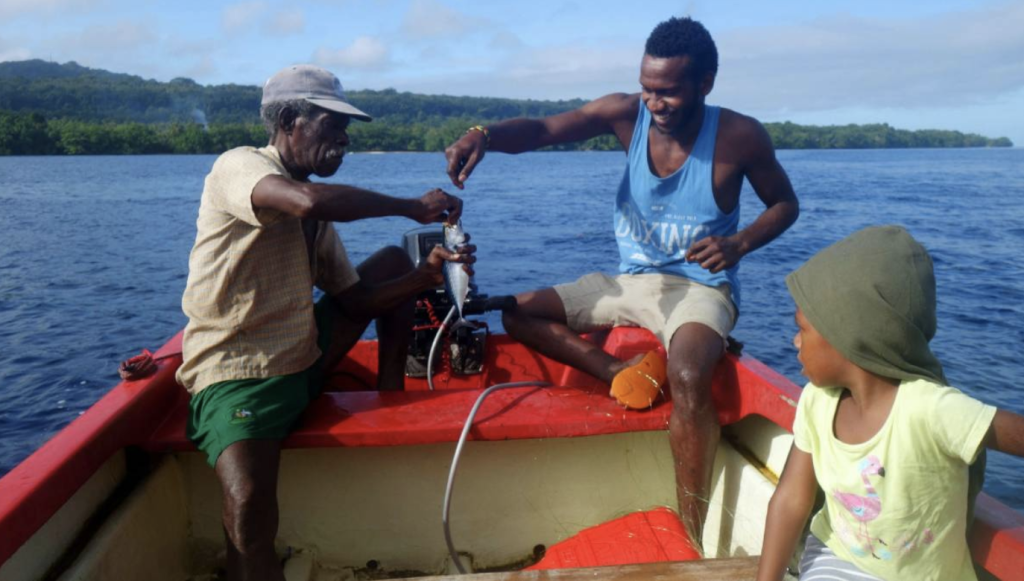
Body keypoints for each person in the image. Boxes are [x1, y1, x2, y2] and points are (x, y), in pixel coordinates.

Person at [443, 16, 799, 546]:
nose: (655, 103)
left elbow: (785, 204)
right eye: (648, 89)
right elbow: (544, 130)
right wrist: (485, 136)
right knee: (517, 311)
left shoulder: (739, 135)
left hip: (700, 288)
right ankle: (619, 371)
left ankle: (691, 531)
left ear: (705, 82)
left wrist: (737, 244)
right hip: (629, 282)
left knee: (687, 373)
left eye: (669, 92)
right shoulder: (625, 115)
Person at [176, 64, 475, 581]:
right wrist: (410, 207)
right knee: (248, 510)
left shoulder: (316, 217)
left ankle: (389, 394)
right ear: (290, 121)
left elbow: (356, 302)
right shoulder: (240, 166)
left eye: (347, 129)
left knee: (389, 261)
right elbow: (306, 200)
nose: (343, 139)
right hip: (238, 378)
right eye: (330, 124)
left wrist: (426, 278)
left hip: (302, 360)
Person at [756, 225, 1024, 581]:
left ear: (848, 337)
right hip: (834, 558)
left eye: (802, 329)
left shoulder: (930, 409)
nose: (794, 342)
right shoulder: (816, 401)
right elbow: (791, 500)